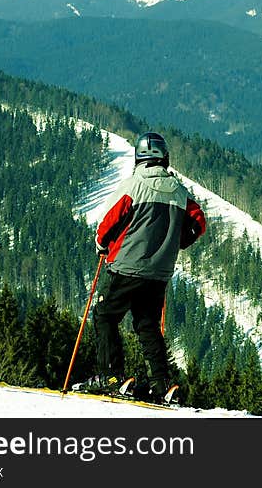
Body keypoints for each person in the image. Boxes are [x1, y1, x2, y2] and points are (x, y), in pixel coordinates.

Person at [74, 131, 206, 402]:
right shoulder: (180, 192)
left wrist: (102, 245)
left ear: (139, 157)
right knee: (147, 324)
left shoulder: (133, 185)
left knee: (105, 316)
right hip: (159, 272)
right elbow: (199, 220)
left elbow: (107, 224)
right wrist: (179, 242)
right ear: (165, 158)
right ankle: (162, 384)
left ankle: (112, 376)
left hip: (126, 266)